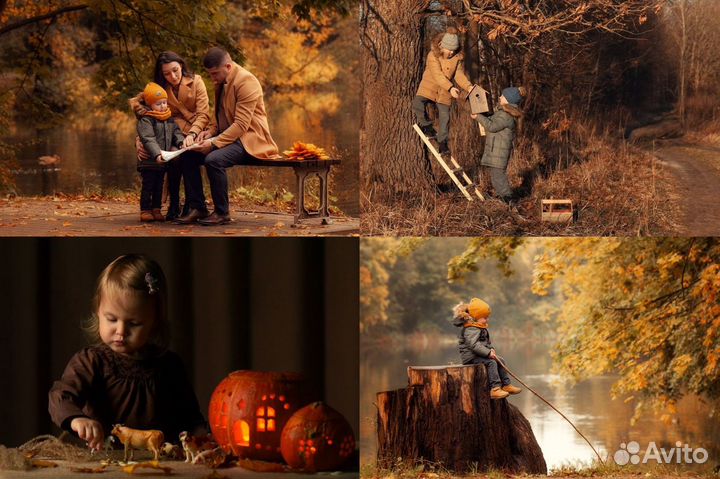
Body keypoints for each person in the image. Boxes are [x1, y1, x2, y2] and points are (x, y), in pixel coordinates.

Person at [48, 255, 206, 451]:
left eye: (134, 323)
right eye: (112, 319)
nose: (121, 331)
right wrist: (77, 419)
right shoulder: (91, 361)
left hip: (164, 462)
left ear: (154, 322)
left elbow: (190, 415)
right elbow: (61, 395)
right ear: (98, 311)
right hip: (106, 462)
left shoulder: (169, 365)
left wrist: (201, 434)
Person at [187, 46, 280, 226]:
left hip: (250, 138)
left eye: (215, 74)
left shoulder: (247, 82)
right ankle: (198, 208)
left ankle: (222, 213)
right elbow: (219, 114)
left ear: (228, 67)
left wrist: (213, 144)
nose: (212, 78)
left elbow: (241, 125)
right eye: (210, 74)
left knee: (213, 160)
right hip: (229, 136)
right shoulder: (221, 80)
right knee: (189, 155)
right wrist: (210, 132)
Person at [131, 51, 211, 222]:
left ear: (181, 65)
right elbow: (147, 117)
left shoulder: (196, 81)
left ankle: (192, 204)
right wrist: (139, 141)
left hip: (196, 131)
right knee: (173, 158)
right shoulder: (159, 89)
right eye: (167, 73)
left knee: (189, 154)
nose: (172, 76)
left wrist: (192, 133)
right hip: (169, 134)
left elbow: (204, 114)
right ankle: (174, 204)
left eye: (175, 70)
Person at [412, 28, 473, 158]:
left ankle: (443, 143)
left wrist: (468, 87)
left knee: (445, 118)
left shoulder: (457, 59)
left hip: (444, 93)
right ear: (442, 46)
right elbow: (437, 75)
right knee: (418, 103)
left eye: (453, 50)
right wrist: (451, 88)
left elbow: (459, 75)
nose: (451, 52)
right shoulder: (432, 55)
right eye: (449, 49)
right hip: (430, 86)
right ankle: (426, 125)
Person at [452, 297, 522, 399]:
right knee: (491, 362)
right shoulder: (471, 328)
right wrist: (488, 353)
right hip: (471, 357)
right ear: (476, 316)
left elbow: (485, 342)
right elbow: (473, 345)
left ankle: (506, 385)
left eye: (487, 317)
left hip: (479, 354)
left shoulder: (479, 326)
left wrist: (491, 349)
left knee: (500, 360)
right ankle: (495, 389)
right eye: (485, 317)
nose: (487, 319)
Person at [135, 83, 185, 222]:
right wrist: (157, 154)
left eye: (164, 102)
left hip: (162, 161)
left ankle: (156, 209)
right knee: (148, 185)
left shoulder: (168, 119)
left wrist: (181, 142)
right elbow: (148, 139)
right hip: (149, 161)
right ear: (150, 105)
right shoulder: (146, 120)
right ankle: (145, 209)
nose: (163, 106)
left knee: (159, 185)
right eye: (158, 104)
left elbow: (176, 133)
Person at [472, 86, 525, 204]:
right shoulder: (503, 113)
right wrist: (483, 115)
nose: (500, 97)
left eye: (502, 96)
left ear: (508, 99)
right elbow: (492, 120)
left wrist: (478, 117)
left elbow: (492, 126)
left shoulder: (506, 116)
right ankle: (505, 197)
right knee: (496, 177)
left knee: (498, 178)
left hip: (498, 152)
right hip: (497, 151)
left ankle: (509, 199)